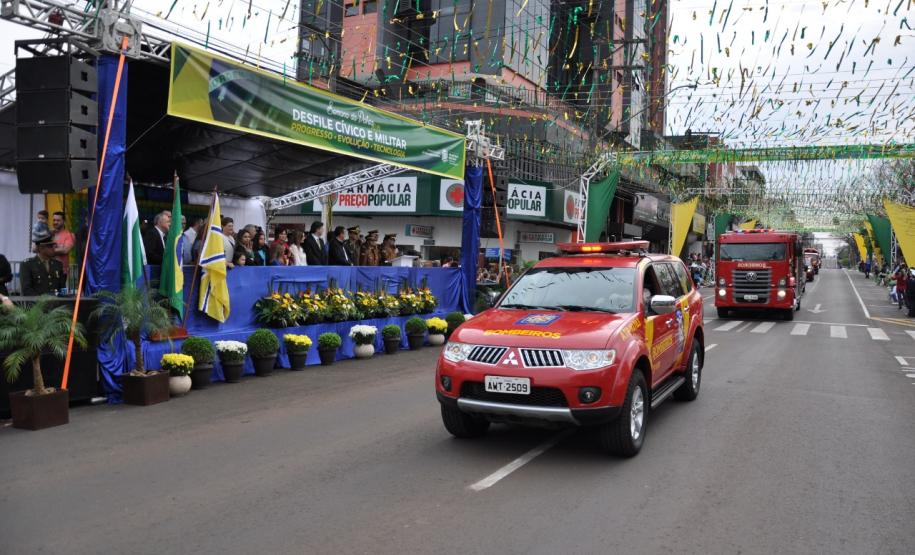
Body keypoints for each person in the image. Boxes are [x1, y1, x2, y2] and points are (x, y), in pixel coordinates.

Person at [20, 223, 66, 296]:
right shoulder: (27, 265)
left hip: (56, 305)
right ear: (41, 248)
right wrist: (42, 301)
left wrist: (63, 300)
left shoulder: (58, 264)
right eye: (50, 246)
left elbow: (63, 288)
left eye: (54, 245)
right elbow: (26, 290)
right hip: (37, 305)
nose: (54, 248)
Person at [51, 211, 75, 277]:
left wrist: (48, 250)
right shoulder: (49, 234)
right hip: (47, 270)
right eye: (54, 220)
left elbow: (65, 250)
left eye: (58, 220)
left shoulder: (69, 235)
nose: (55, 222)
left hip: (61, 271)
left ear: (63, 221)